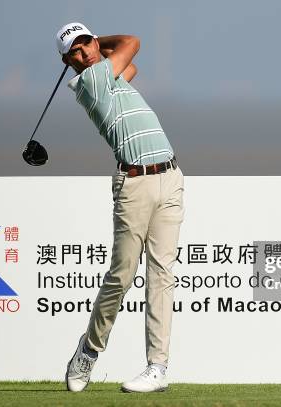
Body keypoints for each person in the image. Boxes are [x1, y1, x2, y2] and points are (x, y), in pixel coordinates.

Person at [55, 22, 184, 393]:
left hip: (170, 176)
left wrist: (95, 45)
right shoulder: (89, 83)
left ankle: (157, 367)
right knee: (121, 276)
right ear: (68, 61)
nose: (84, 53)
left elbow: (131, 67)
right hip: (134, 184)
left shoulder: (109, 77)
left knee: (162, 274)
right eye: (75, 52)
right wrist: (99, 43)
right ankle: (88, 352)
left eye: (86, 45)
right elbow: (132, 43)